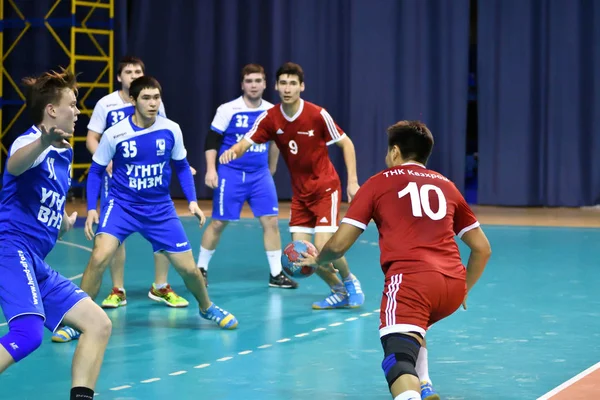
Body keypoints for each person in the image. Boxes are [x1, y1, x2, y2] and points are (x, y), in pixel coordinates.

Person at [295, 120, 492, 400]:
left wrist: (318, 261)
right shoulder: (447, 186)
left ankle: (411, 391)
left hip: (411, 283)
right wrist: (464, 289)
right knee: (415, 327)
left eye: (388, 152)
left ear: (396, 152)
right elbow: (483, 249)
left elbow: (338, 245)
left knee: (397, 359)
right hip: (451, 285)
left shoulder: (378, 183)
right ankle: (424, 384)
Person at [79, 75, 238, 330]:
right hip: (122, 206)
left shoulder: (171, 129)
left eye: (156, 98)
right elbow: (96, 171)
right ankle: (79, 320)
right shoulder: (114, 133)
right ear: (133, 100)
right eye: (146, 98)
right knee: (99, 257)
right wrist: (90, 209)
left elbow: (182, 167)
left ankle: (207, 308)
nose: (152, 103)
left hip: (160, 209)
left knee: (188, 269)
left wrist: (193, 202)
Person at [51, 56, 190, 344]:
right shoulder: (107, 104)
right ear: (120, 77)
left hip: (151, 188)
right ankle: (116, 290)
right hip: (118, 182)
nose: (134, 74)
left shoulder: (152, 101)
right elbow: (93, 138)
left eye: (138, 70)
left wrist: (178, 163)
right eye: (129, 71)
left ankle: (161, 286)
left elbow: (161, 137)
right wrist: (107, 158)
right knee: (111, 242)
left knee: (160, 237)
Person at [0, 68, 112, 400]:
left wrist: (61, 221)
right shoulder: (31, 141)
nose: (78, 112)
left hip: (35, 259)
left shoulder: (63, 152)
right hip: (10, 247)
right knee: (28, 333)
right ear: (52, 110)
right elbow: (15, 166)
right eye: (73, 105)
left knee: (97, 324)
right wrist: (43, 141)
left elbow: (42, 195)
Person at [220, 62, 364, 309]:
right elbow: (247, 140)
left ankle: (350, 281)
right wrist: (233, 151)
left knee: (322, 247)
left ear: (301, 87)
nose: (287, 88)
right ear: (276, 86)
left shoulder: (317, 114)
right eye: (283, 83)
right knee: (301, 256)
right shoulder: (271, 117)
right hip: (300, 194)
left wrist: (352, 182)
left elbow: (347, 143)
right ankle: (338, 291)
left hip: (325, 188)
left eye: (293, 83)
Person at [198, 63, 297, 289]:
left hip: (259, 174)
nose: (253, 85)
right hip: (230, 173)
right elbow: (212, 139)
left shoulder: (272, 111)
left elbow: (276, 143)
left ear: (265, 85)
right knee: (219, 222)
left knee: (271, 221)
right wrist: (211, 169)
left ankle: (276, 274)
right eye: (249, 81)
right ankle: (200, 269)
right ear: (242, 84)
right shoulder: (228, 109)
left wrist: (271, 167)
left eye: (258, 81)